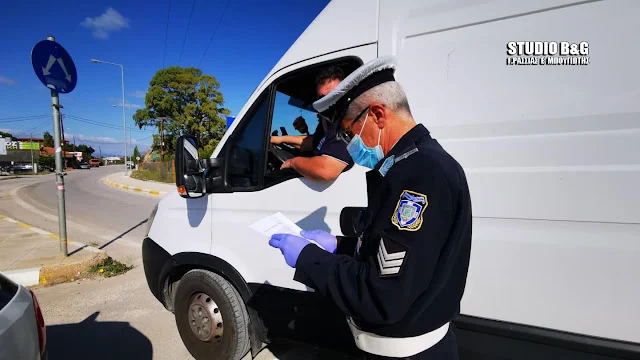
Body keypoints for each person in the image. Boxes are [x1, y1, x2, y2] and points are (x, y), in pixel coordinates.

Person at [267, 56, 472, 359]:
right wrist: (338, 245)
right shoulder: (409, 165)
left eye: (349, 133)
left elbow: (380, 295)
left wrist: (309, 259)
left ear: (377, 115)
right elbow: (393, 256)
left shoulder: (423, 175)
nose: (348, 145)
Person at [270, 66, 354, 182]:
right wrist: (281, 139)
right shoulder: (328, 121)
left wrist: (292, 163)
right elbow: (312, 142)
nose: (327, 103)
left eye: (333, 95)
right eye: (321, 98)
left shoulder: (348, 122)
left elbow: (326, 170)